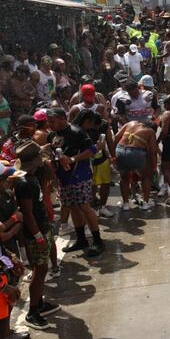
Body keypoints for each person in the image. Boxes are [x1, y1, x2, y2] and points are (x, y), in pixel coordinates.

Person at [13, 142, 58, 331]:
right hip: (36, 232)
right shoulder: (24, 183)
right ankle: (33, 312)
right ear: (34, 160)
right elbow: (28, 213)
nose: (43, 159)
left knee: (43, 268)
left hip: (42, 227)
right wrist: (38, 235)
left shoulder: (31, 177)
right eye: (41, 156)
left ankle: (39, 303)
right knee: (39, 272)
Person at [47, 108, 104, 257]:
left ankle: (98, 241)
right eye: (48, 122)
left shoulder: (76, 132)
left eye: (52, 121)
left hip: (79, 175)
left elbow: (92, 150)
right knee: (73, 207)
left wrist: (72, 159)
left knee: (85, 207)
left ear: (62, 118)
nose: (49, 124)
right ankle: (81, 239)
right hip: (64, 177)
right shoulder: (53, 135)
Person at [114, 120, 158, 211]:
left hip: (120, 150)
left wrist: (113, 155)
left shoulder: (131, 123)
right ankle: (145, 203)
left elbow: (116, 137)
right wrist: (153, 167)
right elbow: (153, 152)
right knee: (146, 177)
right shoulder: (150, 131)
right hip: (136, 152)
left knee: (124, 178)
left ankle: (125, 204)